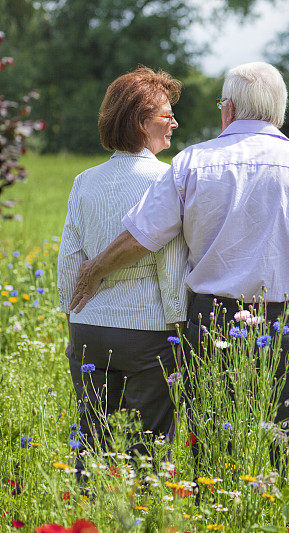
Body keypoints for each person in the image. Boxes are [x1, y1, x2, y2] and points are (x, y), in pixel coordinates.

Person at [68, 61, 289, 478]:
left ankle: (215, 508)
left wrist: (93, 270)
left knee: (215, 441)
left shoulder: (192, 163)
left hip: (212, 318)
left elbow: (143, 237)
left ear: (229, 108)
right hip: (287, 318)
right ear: (279, 112)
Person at [57, 67, 189, 480]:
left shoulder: (84, 180)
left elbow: (69, 259)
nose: (175, 123)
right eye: (166, 115)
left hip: (89, 328)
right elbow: (170, 265)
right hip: (147, 333)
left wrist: (72, 319)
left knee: (93, 440)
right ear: (140, 122)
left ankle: (85, 513)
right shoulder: (167, 179)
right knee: (149, 447)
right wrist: (180, 334)